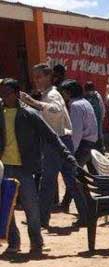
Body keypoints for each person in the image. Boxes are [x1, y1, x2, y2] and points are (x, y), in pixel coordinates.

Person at [0, 78, 78, 255]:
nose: (3, 97)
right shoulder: (0, 113)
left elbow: (51, 136)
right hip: (5, 168)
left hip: (24, 168)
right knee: (7, 207)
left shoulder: (29, 115)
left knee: (31, 207)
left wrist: (66, 155)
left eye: (7, 93)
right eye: (1, 93)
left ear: (17, 94)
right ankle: (14, 243)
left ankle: (36, 243)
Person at [20, 63, 79, 229]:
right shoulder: (48, 94)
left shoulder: (52, 94)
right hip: (60, 140)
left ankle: (40, 219)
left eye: (39, 77)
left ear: (48, 77)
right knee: (70, 179)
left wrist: (33, 102)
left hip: (57, 140)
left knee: (49, 181)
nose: (36, 80)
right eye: (35, 77)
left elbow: (55, 110)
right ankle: (86, 213)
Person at [61, 80, 98, 170]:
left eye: (63, 92)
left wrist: (71, 151)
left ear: (69, 92)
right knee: (93, 175)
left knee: (72, 172)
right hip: (92, 142)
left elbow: (77, 132)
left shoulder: (75, 106)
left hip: (83, 145)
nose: (62, 95)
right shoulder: (84, 102)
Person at [84, 81, 106, 153]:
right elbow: (102, 107)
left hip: (97, 118)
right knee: (95, 133)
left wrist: (102, 117)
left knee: (98, 134)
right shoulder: (86, 96)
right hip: (93, 118)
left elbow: (102, 107)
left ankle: (100, 149)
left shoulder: (97, 95)